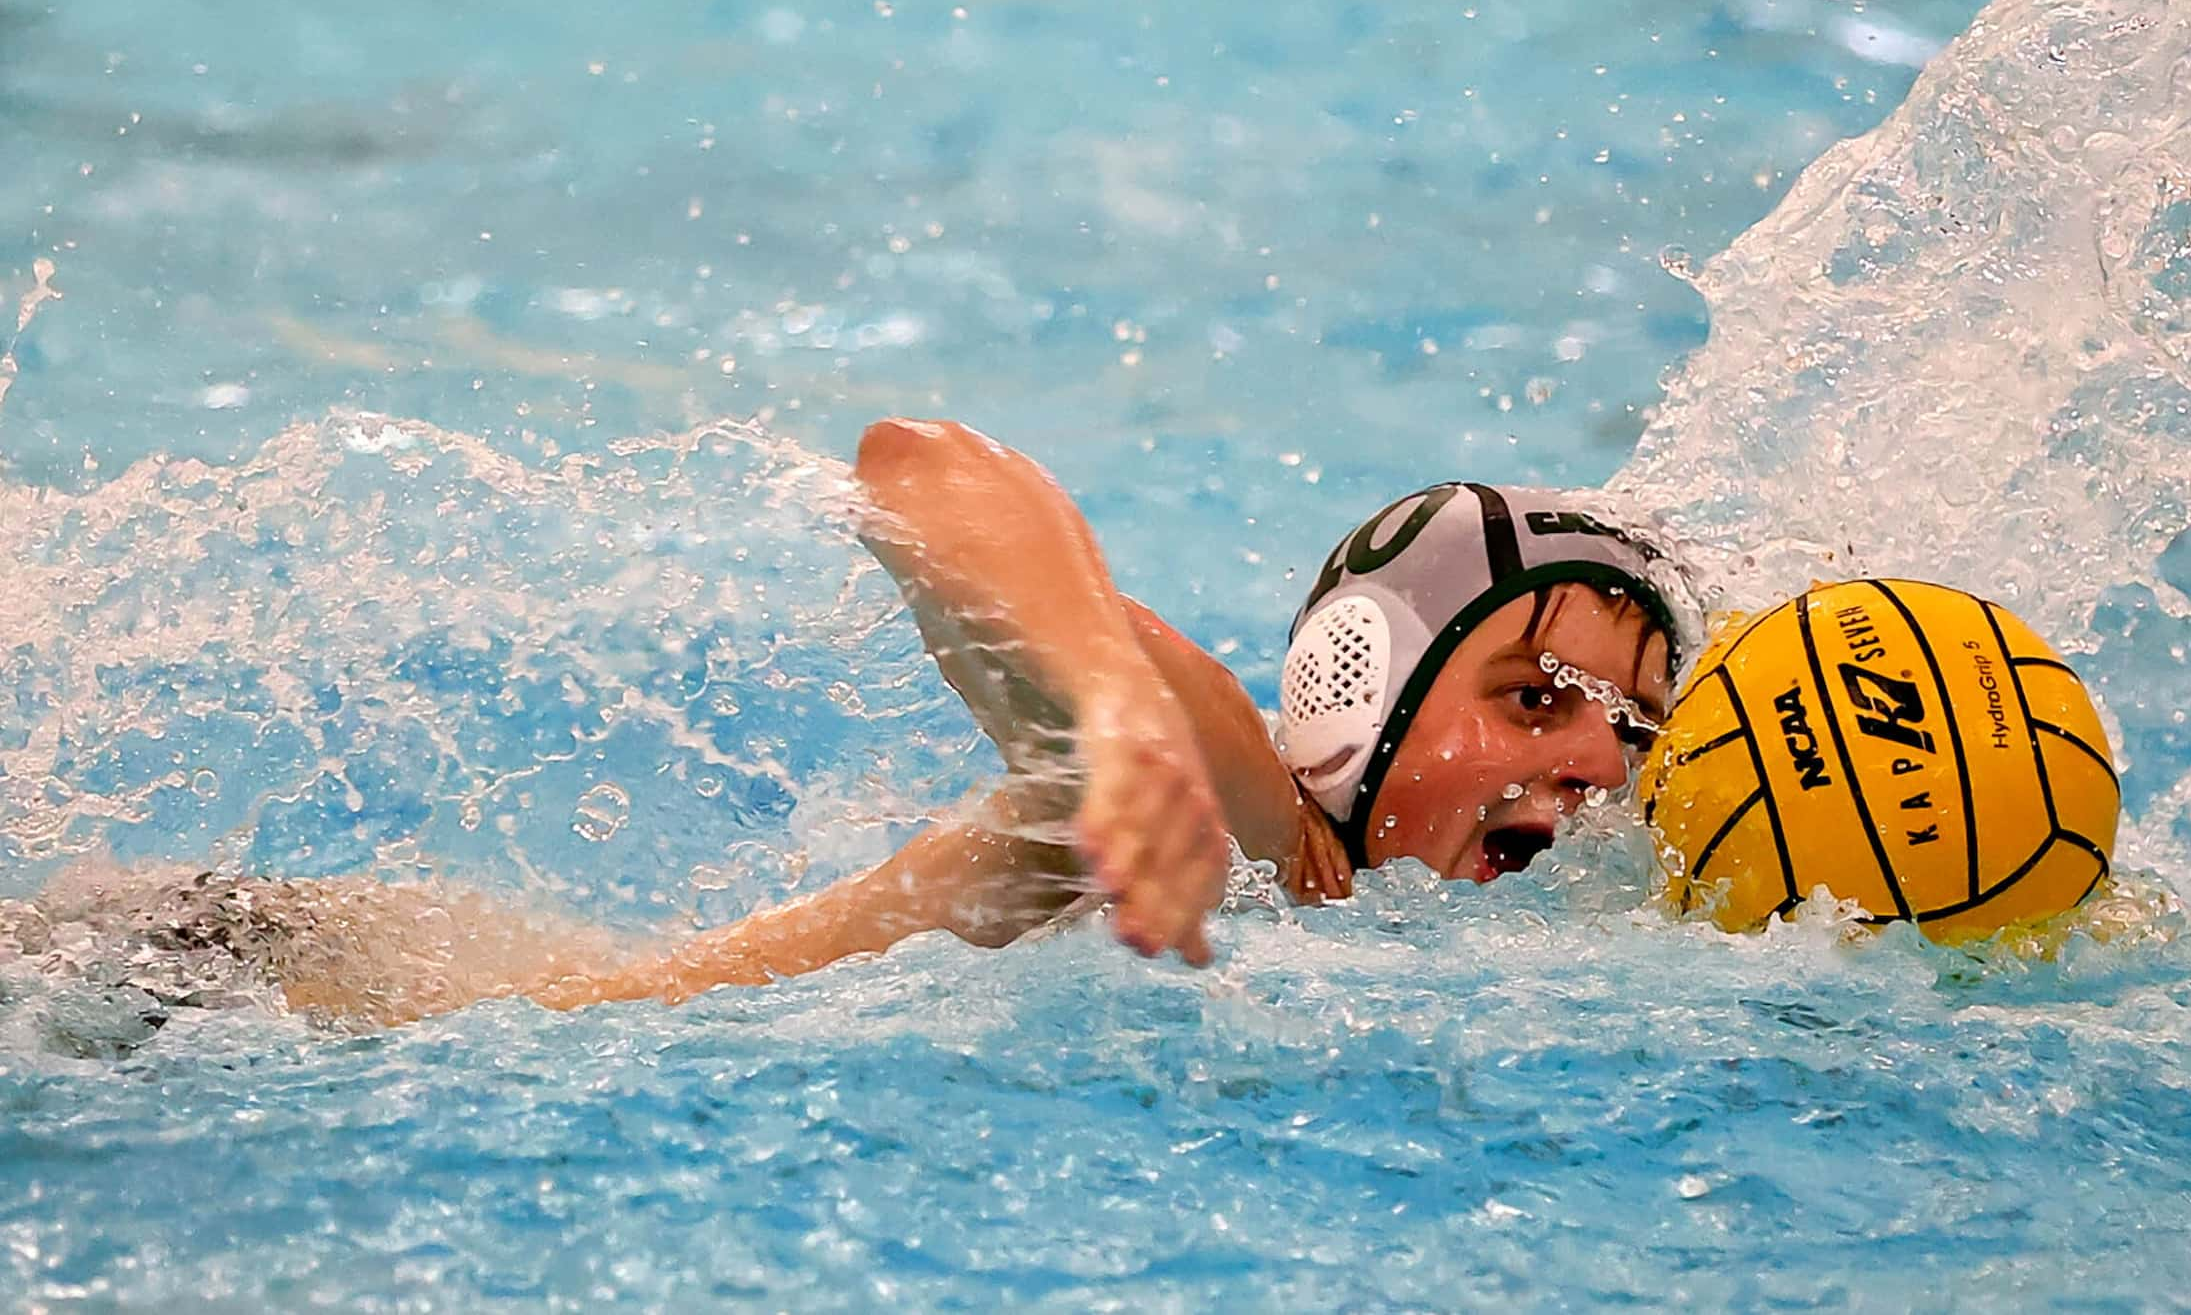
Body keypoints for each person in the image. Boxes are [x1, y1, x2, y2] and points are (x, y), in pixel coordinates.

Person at [7, 419, 1692, 1027]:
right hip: (302, 999)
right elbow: (921, 469)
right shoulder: (1257, 819)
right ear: (1357, 699)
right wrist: (1109, 710)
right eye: (1529, 694)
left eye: (1627, 726)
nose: (1585, 760)